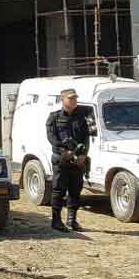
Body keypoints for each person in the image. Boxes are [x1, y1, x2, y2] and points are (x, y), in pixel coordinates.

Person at [45, 88, 94, 233]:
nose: (74, 101)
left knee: (75, 190)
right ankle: (56, 220)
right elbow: (52, 138)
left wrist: (83, 154)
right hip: (61, 159)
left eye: (75, 98)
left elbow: (86, 137)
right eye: (70, 98)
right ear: (63, 100)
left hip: (78, 160)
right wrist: (64, 152)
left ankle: (72, 220)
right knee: (58, 190)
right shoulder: (54, 117)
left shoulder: (82, 116)